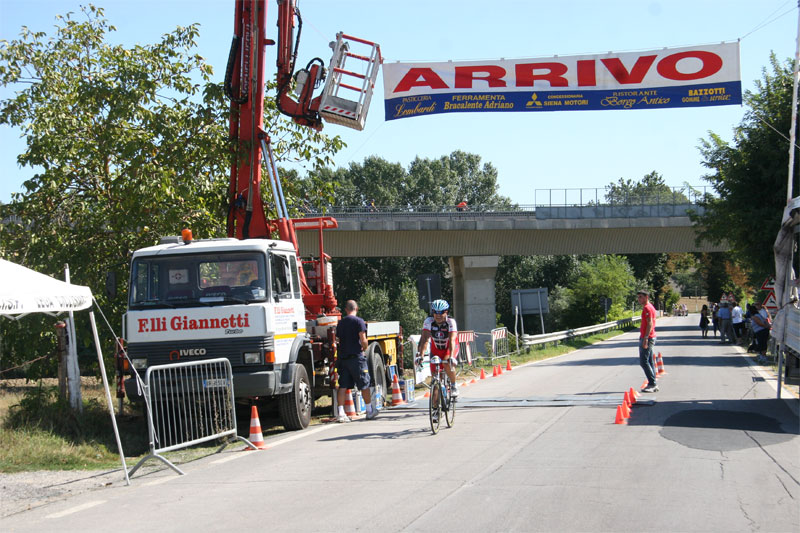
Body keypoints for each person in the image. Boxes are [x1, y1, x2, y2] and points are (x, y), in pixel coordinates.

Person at [335, 300, 379, 422]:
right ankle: (369, 410)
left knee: (343, 385)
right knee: (364, 384)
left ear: (346, 309)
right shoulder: (359, 321)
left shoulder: (341, 323)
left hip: (344, 358)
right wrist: (364, 349)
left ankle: (341, 413)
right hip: (356, 358)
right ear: (357, 308)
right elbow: (363, 339)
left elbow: (338, 339)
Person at [415, 299, 460, 398]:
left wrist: (452, 357)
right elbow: (425, 340)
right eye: (435, 312)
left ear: (446, 312)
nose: (438, 315)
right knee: (435, 377)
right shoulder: (428, 321)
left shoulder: (451, 322)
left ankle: (453, 385)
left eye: (441, 312)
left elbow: (452, 339)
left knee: (446, 362)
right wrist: (420, 356)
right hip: (436, 348)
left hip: (450, 347)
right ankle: (436, 409)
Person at [637, 289, 658, 393]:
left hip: (648, 337)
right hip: (648, 336)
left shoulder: (647, 308)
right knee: (649, 361)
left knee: (643, 362)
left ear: (646, 297)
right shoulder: (650, 307)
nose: (639, 299)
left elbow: (650, 323)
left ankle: (652, 383)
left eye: (641, 297)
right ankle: (653, 383)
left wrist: (645, 338)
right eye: (638, 297)